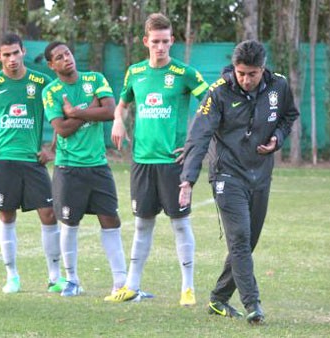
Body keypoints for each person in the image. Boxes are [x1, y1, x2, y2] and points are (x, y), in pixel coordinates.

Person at [179, 40, 299, 324]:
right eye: (240, 73)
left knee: (246, 242)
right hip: (227, 175)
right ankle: (252, 304)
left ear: (263, 69)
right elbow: (199, 136)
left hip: (260, 174)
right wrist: (188, 180)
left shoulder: (279, 86)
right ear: (234, 68)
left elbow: (289, 116)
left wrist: (277, 139)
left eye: (252, 74)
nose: (245, 79)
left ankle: (219, 298)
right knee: (240, 239)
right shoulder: (218, 92)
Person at [107, 13, 209, 305]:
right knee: (142, 224)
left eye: (166, 41)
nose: (161, 47)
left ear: (172, 41)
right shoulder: (135, 72)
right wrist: (118, 120)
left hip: (173, 162)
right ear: (146, 42)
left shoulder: (185, 74)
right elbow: (123, 104)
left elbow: (211, 105)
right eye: (155, 42)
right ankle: (132, 286)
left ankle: (187, 288)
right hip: (141, 161)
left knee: (180, 224)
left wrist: (193, 142)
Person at [0, 33, 65, 294]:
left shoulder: (42, 81)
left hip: (33, 161)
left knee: (49, 214)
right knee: (6, 215)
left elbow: (61, 113)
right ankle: (12, 276)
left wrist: (52, 149)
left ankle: (55, 277)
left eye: (15, 53)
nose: (11, 59)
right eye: (6, 55)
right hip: (4, 161)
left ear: (24, 51)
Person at [42, 41, 127, 297]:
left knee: (111, 220)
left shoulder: (95, 78)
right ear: (51, 65)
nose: (66, 58)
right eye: (59, 57)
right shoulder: (51, 91)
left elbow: (111, 112)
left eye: (67, 53)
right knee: (69, 223)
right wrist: (91, 109)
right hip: (68, 169)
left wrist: (75, 112)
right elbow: (62, 129)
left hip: (98, 166)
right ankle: (72, 280)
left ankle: (121, 282)